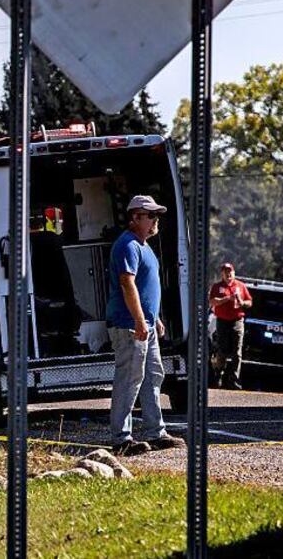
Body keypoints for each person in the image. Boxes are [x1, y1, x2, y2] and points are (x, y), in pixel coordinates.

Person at [106, 195, 183, 456]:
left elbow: (145, 287)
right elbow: (127, 284)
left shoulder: (144, 246)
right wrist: (140, 320)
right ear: (135, 217)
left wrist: (154, 318)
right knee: (130, 379)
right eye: (150, 215)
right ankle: (121, 439)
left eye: (156, 215)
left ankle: (156, 432)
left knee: (152, 376)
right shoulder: (127, 245)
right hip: (129, 325)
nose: (155, 220)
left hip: (145, 324)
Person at [209, 263, 253, 390]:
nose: (228, 274)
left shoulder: (240, 286)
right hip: (222, 321)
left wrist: (242, 302)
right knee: (221, 350)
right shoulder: (217, 287)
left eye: (230, 272)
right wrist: (227, 298)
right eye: (225, 272)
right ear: (222, 274)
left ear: (234, 273)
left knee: (237, 352)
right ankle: (219, 375)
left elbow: (249, 302)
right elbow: (212, 301)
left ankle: (234, 379)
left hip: (237, 321)